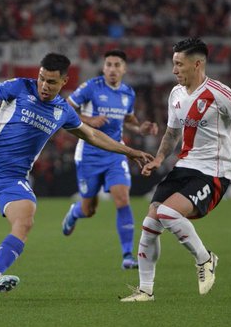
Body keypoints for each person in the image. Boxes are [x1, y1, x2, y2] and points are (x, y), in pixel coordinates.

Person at [0, 53, 153, 295]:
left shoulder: (63, 110)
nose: (44, 86)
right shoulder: (20, 87)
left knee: (25, 219)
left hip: (13, 178)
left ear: (64, 82)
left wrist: (129, 151)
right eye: (42, 79)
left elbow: (93, 135)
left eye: (52, 82)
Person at [120, 38, 231, 302]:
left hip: (213, 173)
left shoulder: (220, 93)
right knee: (151, 223)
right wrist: (160, 158)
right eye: (173, 63)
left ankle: (205, 259)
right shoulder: (175, 94)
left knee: (167, 212)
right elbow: (172, 132)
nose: (174, 70)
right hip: (184, 167)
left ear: (197, 64)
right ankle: (145, 290)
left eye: (178, 64)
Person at [61, 49, 159, 269]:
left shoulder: (127, 93)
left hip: (115, 153)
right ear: (103, 68)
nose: (112, 69)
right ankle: (75, 212)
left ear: (124, 69)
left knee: (122, 199)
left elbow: (129, 120)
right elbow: (64, 109)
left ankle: (127, 256)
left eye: (117, 65)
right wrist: (89, 119)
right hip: (89, 154)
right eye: (109, 64)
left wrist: (139, 127)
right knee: (89, 210)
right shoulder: (90, 87)